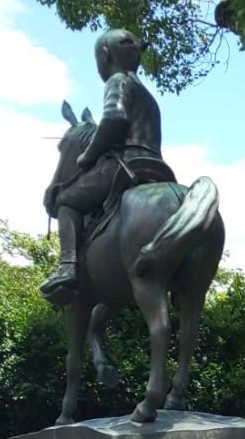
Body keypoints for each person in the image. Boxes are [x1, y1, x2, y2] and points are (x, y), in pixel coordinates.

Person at [40, 28, 166, 308]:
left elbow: (113, 118)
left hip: (124, 165)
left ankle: (67, 266)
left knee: (65, 199)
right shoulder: (149, 97)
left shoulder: (117, 82)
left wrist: (87, 155)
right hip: (157, 167)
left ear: (105, 56)